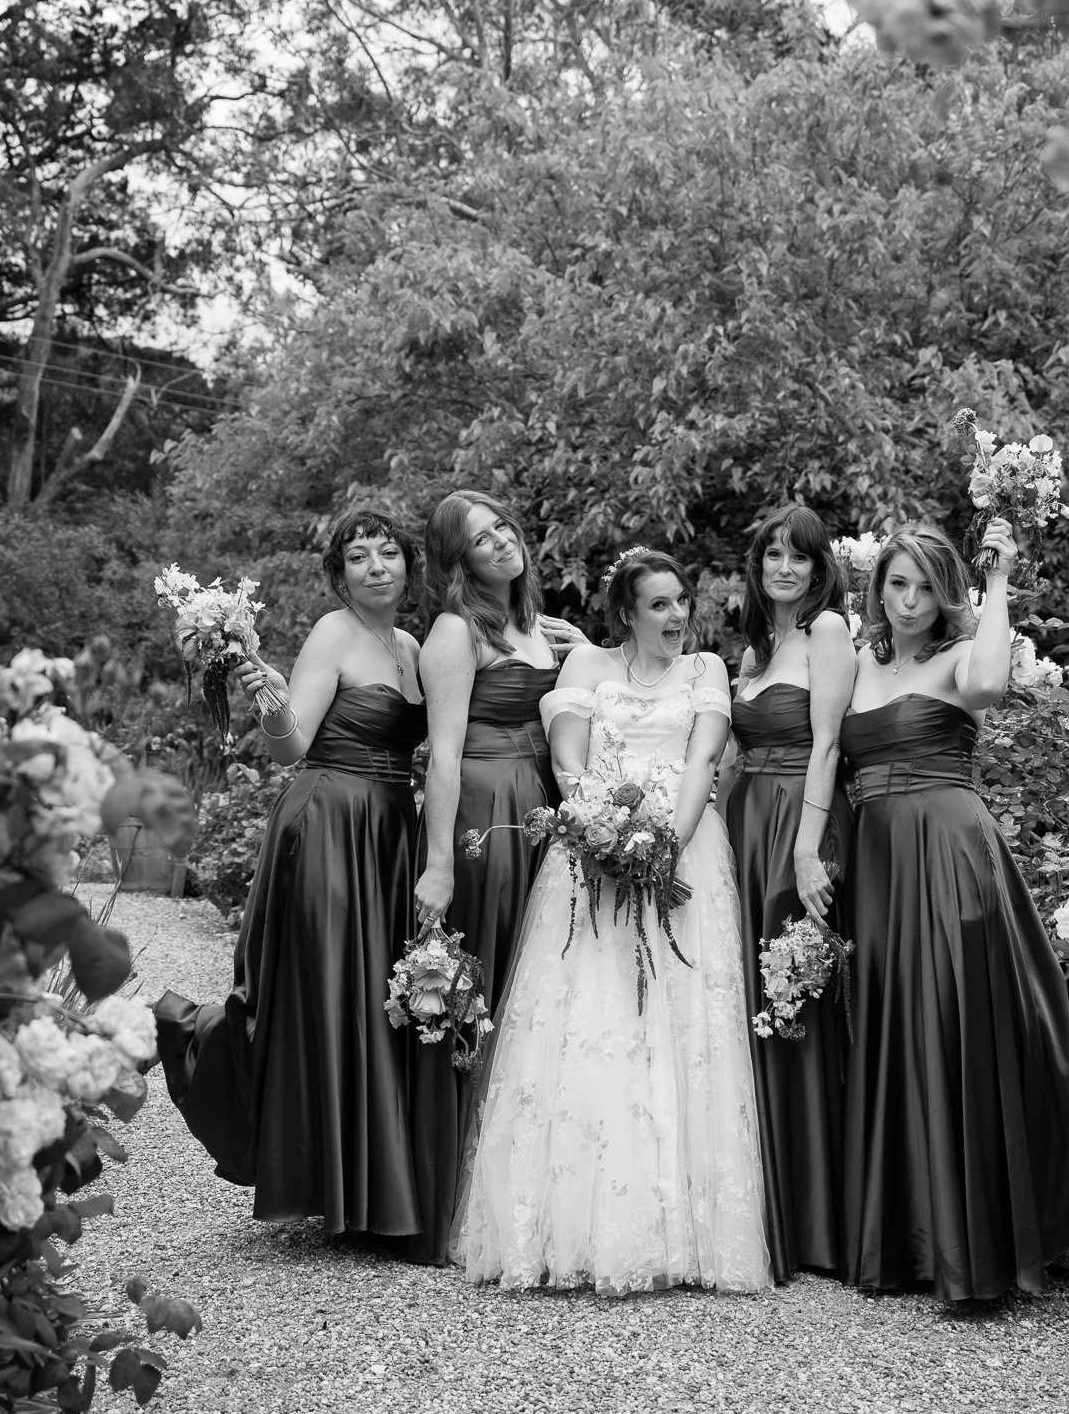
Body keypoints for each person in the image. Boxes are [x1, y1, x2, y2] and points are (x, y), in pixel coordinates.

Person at [838, 519, 1069, 1304]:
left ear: (947, 592)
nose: (910, 600)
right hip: (878, 864)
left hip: (951, 852)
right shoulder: (856, 661)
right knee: (900, 1027)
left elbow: (988, 689)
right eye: (896, 583)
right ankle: (902, 1238)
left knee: (956, 1024)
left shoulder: (963, 656)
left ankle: (968, 1242)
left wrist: (998, 578)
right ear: (877, 587)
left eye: (925, 585)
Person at [452, 547, 771, 1295]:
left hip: (684, 852)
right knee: (589, 1027)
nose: (676, 615)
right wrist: (601, 827)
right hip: (591, 853)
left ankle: (684, 1234)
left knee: (684, 1029)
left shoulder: (705, 672)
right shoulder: (586, 667)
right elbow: (567, 762)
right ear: (625, 613)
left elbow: (701, 763)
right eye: (657, 604)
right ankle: (563, 1228)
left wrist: (664, 845)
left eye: (680, 601)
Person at [155, 509, 430, 1238]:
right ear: (339, 574)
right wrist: (269, 703)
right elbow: (291, 747)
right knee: (328, 989)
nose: (377, 567)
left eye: (389, 554)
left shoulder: (410, 643)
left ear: (409, 565)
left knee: (376, 993)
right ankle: (331, 1182)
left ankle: (367, 1181)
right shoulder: (333, 633)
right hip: (328, 820)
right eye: (359, 557)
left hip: (390, 830)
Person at [408, 490, 580, 1263]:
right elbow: (442, 752)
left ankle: (528, 1188)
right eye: (480, 540)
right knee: (485, 989)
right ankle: (455, 1196)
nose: (501, 543)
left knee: (535, 991)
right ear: (459, 561)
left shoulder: (537, 629)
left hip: (539, 806)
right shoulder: (453, 631)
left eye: (505, 527)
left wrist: (572, 650)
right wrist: (438, 866)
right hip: (485, 813)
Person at [726, 504, 855, 1281]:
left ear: (818, 568)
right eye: (771, 553)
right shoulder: (755, 645)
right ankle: (764, 1202)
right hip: (747, 827)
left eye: (797, 556)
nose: (783, 566)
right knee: (752, 995)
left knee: (798, 995)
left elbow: (830, 742)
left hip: (800, 825)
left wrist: (807, 849)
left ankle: (815, 1218)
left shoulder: (827, 633)